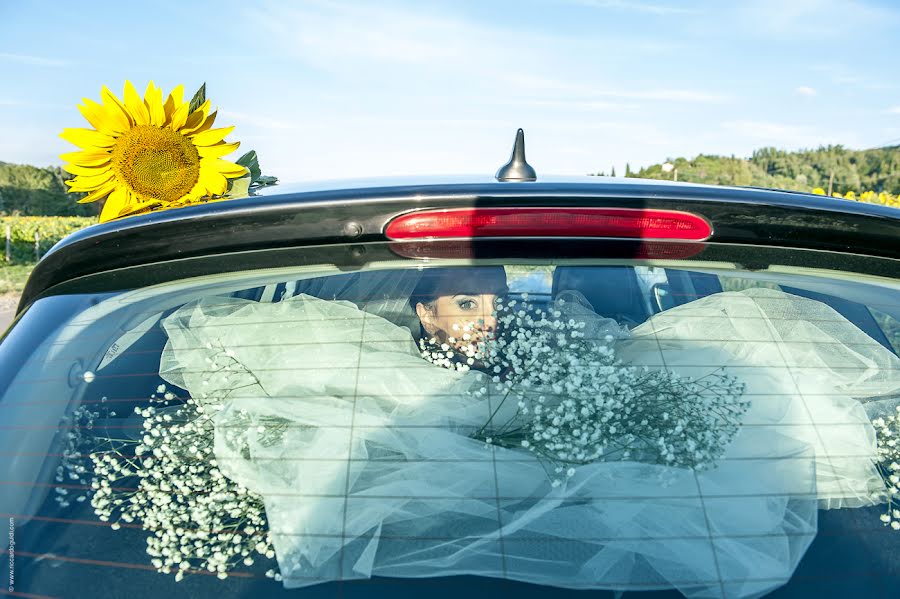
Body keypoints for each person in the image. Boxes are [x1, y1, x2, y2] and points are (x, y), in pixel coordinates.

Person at [156, 267, 900, 598]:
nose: (487, 319)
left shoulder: (566, 369)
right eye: (465, 304)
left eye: (496, 303)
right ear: (424, 313)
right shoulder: (372, 387)